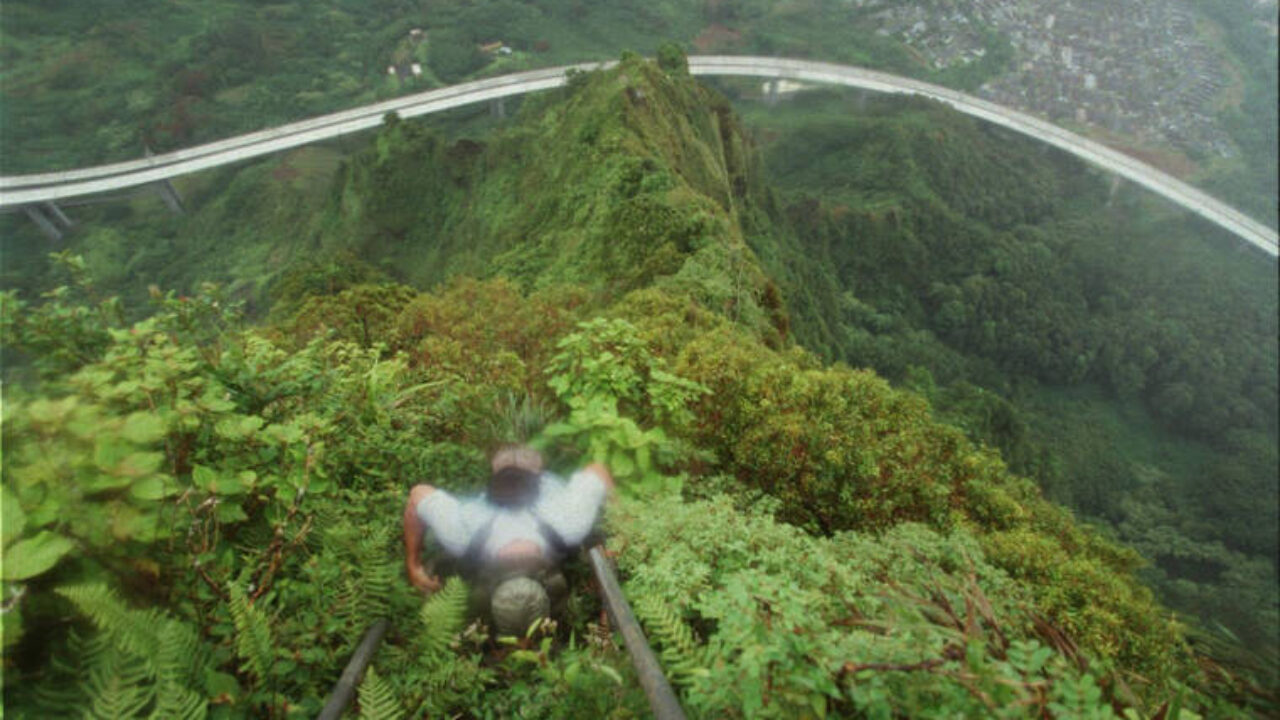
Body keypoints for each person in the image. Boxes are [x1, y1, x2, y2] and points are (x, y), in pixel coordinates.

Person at [402, 445, 614, 635]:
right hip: (516, 478)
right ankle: (514, 464)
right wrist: (413, 566)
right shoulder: (568, 524)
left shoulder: (465, 537)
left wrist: (413, 565)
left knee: (517, 462)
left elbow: (417, 494)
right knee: (517, 463)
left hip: (525, 475)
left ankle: (512, 462)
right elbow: (598, 470)